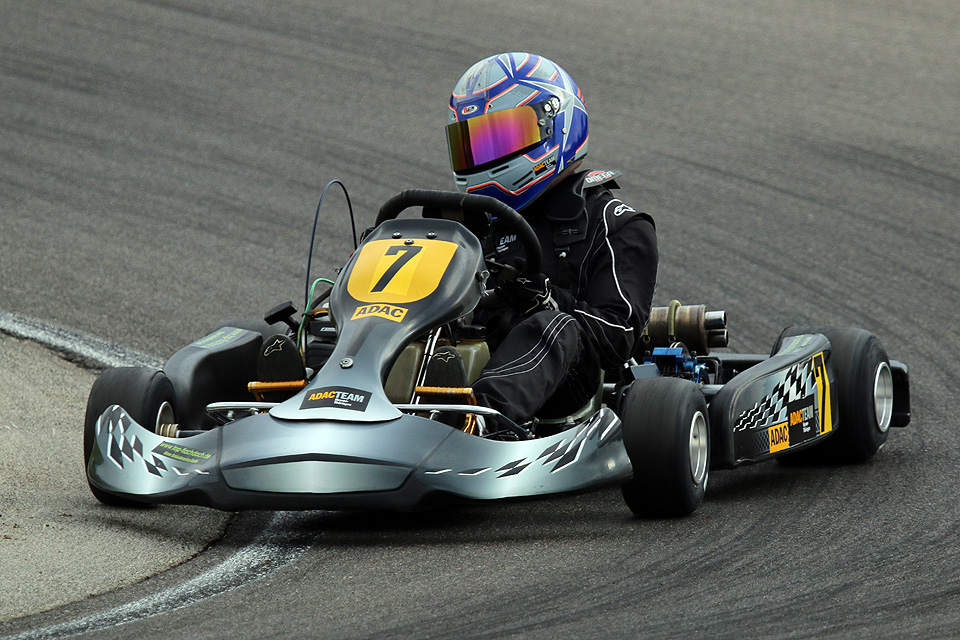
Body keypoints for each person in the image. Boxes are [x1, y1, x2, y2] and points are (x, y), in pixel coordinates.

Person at [442, 52, 659, 429]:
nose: (485, 155)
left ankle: (477, 425)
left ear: (554, 126)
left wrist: (547, 299)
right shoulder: (471, 226)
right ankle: (320, 396)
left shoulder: (614, 223)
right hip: (471, 359)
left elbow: (617, 336)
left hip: (567, 385)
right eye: (475, 144)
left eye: (501, 138)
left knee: (552, 324)